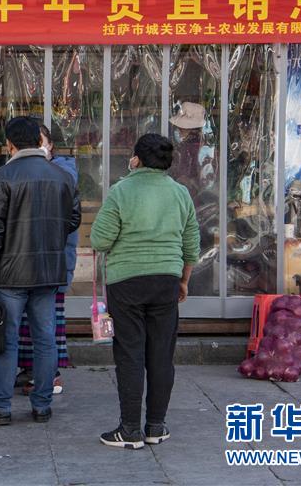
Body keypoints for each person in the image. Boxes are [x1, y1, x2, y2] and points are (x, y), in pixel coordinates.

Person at [90, 133, 200, 449]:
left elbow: (99, 240)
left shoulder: (121, 191)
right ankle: (155, 426)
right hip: (166, 280)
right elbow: (191, 245)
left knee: (130, 353)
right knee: (161, 355)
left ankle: (129, 430)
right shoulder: (180, 194)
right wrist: (183, 281)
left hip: (126, 283)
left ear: (136, 159)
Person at [0, 116, 81, 426]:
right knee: (45, 339)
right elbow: (72, 221)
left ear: (9, 145)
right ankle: (42, 406)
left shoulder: (3, 176)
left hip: (11, 274)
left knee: (6, 341)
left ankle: (1, 407)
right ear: (39, 141)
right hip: (48, 272)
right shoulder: (62, 176)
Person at [16, 125, 77, 395]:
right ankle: (31, 371)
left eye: (42, 141)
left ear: (51, 145)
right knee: (29, 323)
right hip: (28, 261)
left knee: (46, 322)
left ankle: (50, 376)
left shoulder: (64, 173)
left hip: (53, 261)